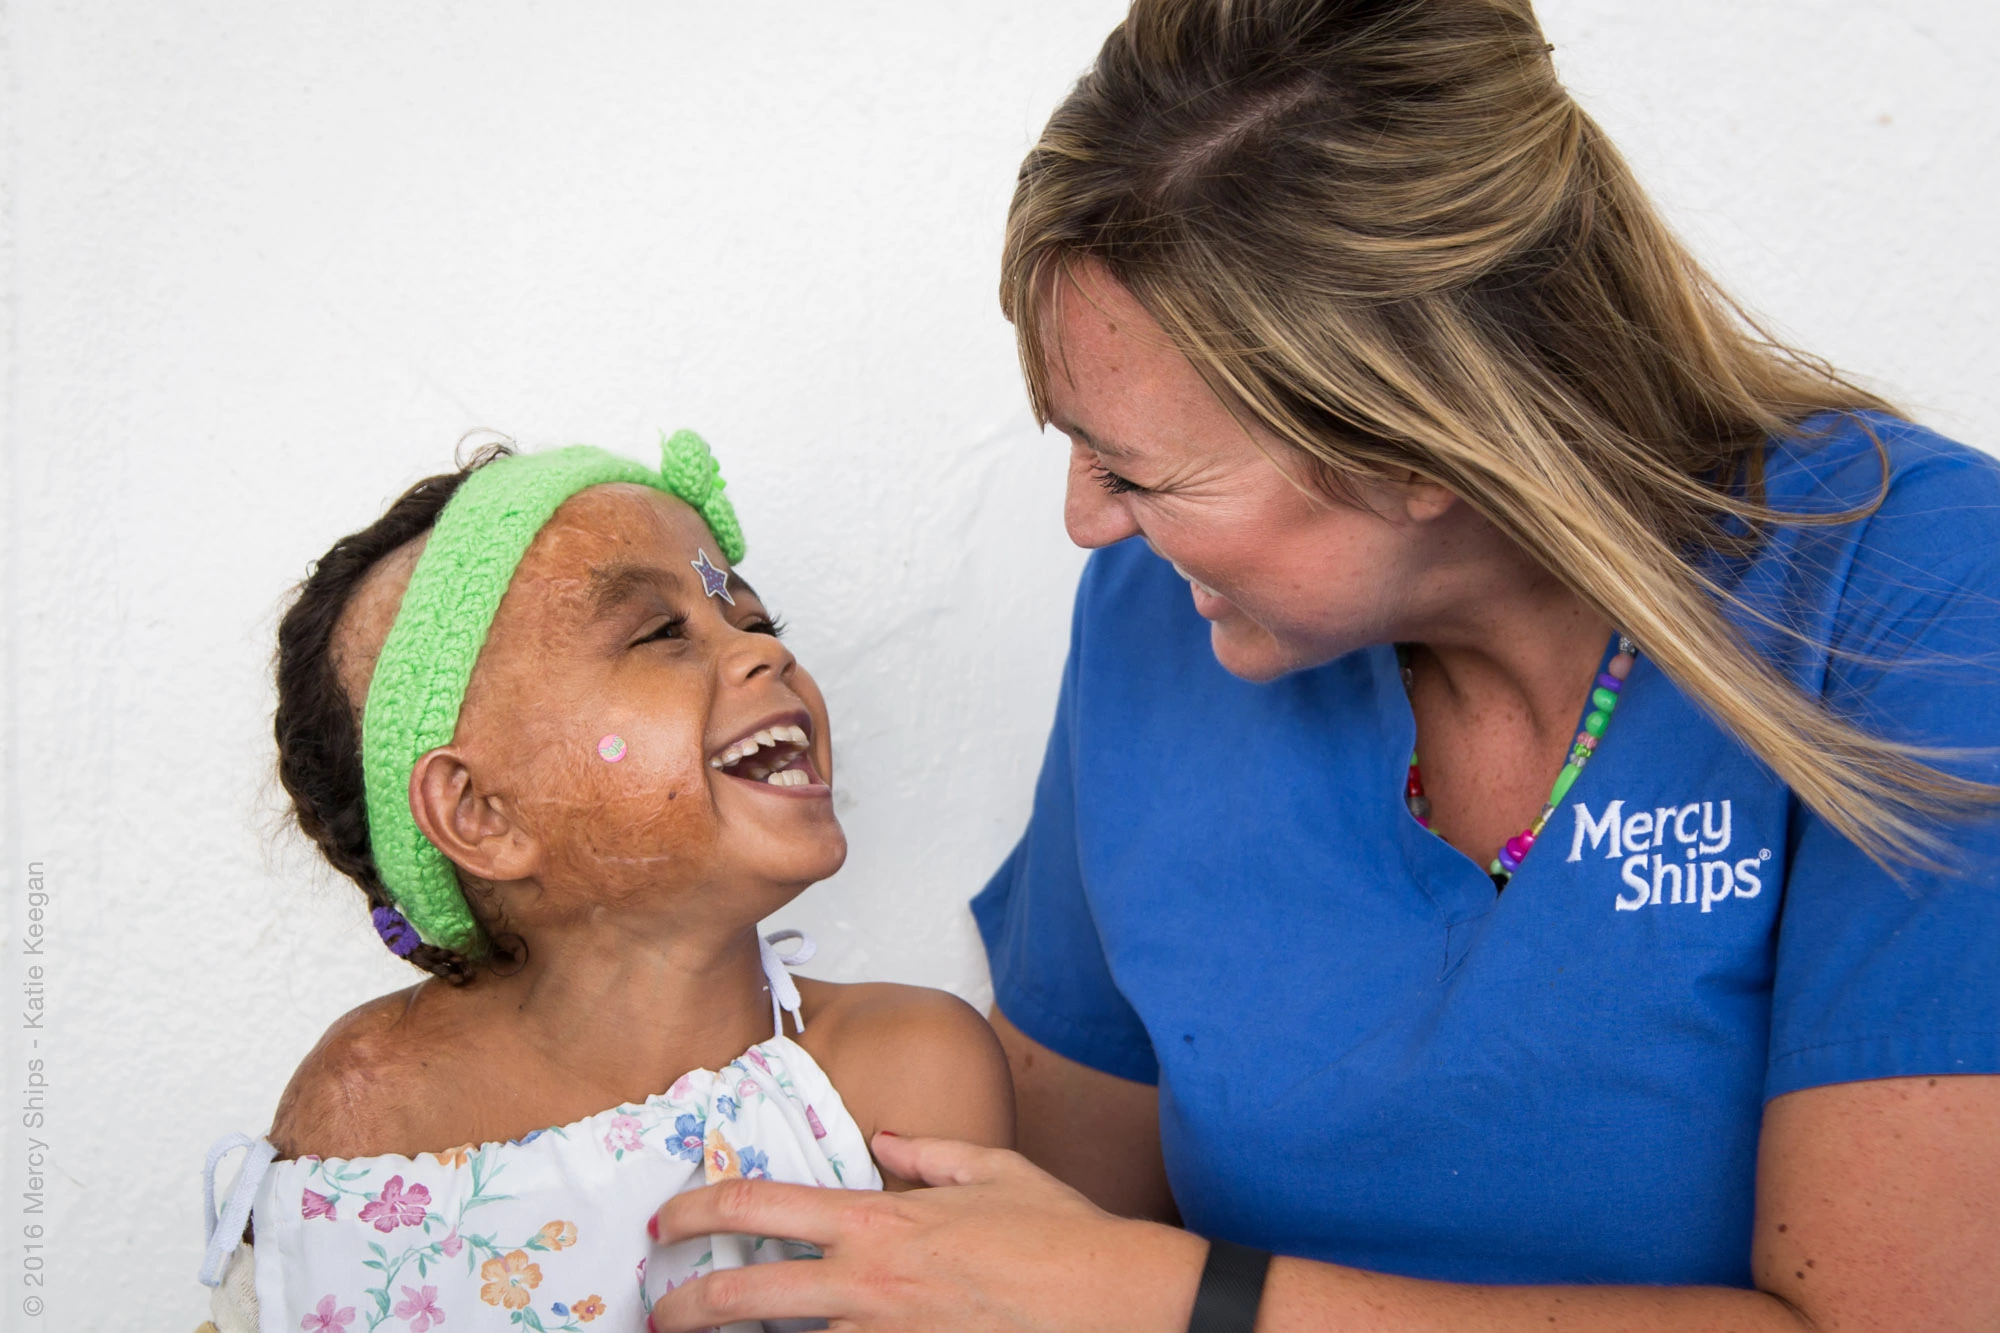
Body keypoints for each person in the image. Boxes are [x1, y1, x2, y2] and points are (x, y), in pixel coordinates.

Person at [640, 2, 2000, 1330]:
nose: (1085, 517)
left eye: (1139, 469)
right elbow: (1029, 1228)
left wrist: (1186, 1301)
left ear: (1421, 442)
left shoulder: (1923, 594)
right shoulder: (1153, 617)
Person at [193, 432, 1011, 1333]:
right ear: (480, 814)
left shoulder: (908, 1073)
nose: (761, 655)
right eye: (663, 632)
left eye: (754, 622)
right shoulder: (370, 1100)